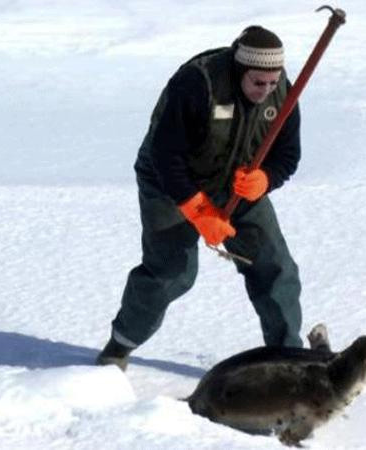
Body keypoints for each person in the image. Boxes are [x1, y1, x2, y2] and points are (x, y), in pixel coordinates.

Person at [96, 26, 303, 371]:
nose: (265, 91)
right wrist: (198, 209)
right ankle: (119, 346)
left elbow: (288, 154)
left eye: (272, 82)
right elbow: (166, 156)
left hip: (236, 184)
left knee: (275, 266)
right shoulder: (197, 84)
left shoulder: (282, 93)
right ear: (241, 71)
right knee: (173, 272)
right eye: (257, 83)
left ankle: (287, 361)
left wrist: (265, 179)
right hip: (169, 183)